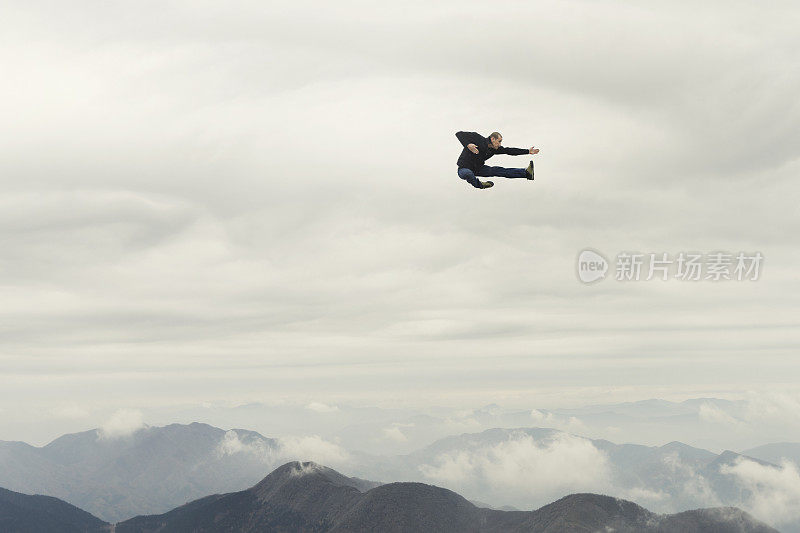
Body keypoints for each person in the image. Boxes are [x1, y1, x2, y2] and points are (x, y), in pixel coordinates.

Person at [455, 131, 539, 189]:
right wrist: (468, 144)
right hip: (463, 169)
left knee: (498, 170)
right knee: (468, 173)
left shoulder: (494, 149)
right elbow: (459, 134)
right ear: (492, 139)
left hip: (479, 169)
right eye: (499, 141)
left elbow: (509, 150)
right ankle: (480, 185)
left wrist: (527, 151)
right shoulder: (477, 138)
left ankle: (526, 173)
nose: (500, 144)